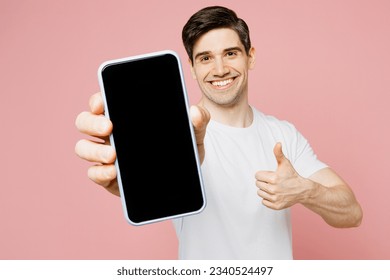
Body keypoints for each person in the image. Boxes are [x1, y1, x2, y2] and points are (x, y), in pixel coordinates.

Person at [75, 6, 363, 259]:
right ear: (191, 67)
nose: (220, 69)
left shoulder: (283, 134)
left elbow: (352, 213)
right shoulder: (176, 131)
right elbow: (152, 184)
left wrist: (306, 191)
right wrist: (129, 179)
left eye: (230, 53)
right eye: (205, 58)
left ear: (250, 56)